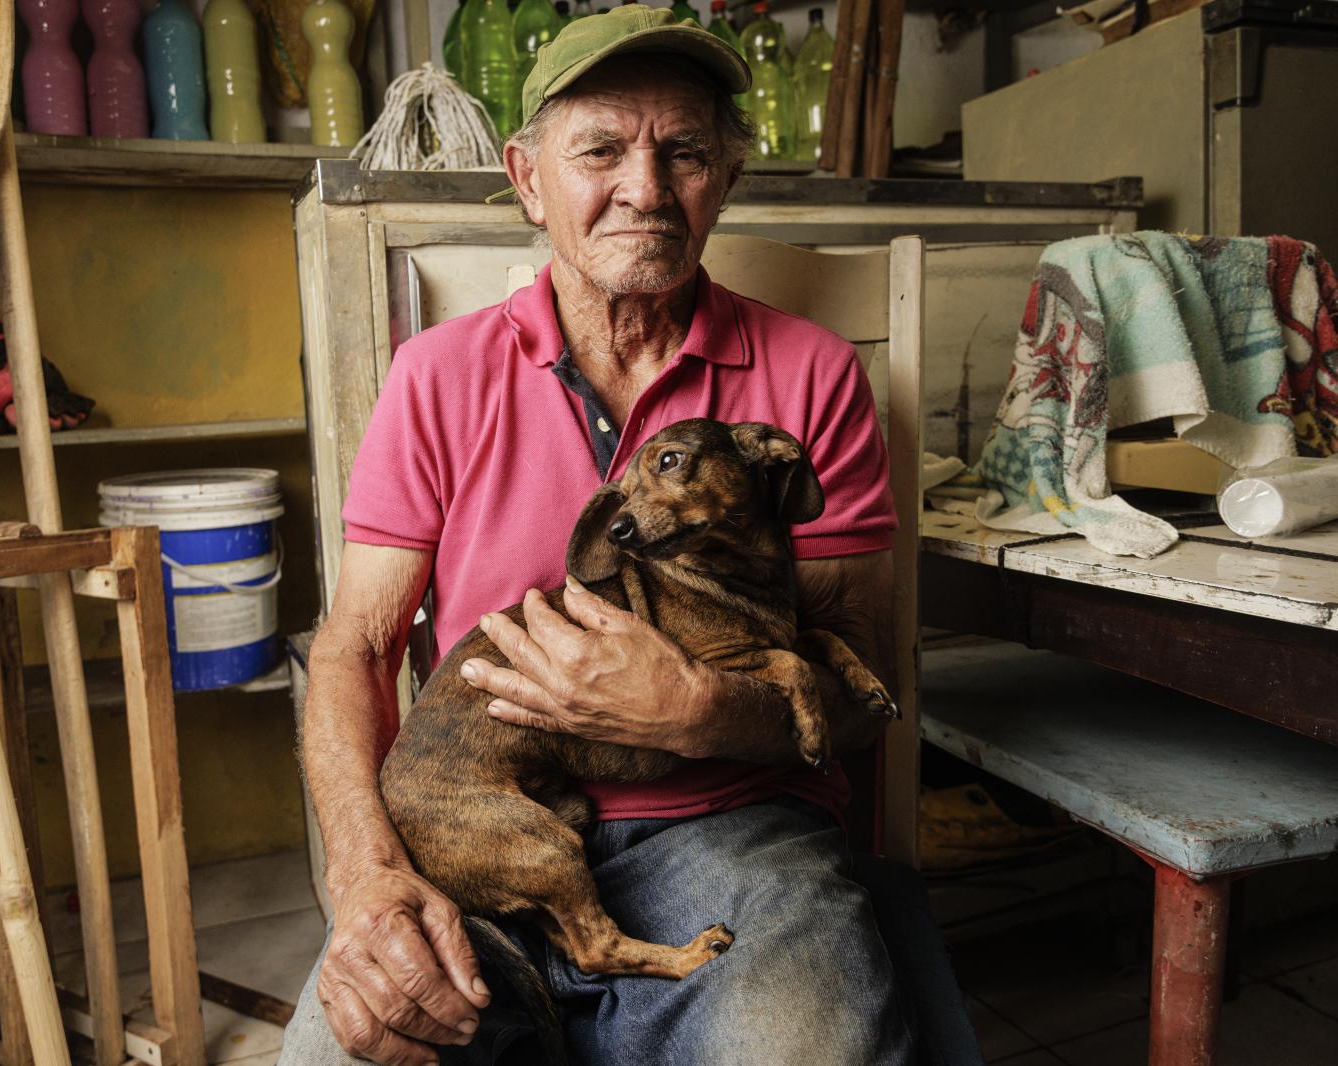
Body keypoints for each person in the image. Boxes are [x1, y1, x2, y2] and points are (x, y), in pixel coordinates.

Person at [283, 6, 979, 1064]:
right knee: (355, 1052)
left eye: (684, 152)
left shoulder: (812, 377)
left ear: (726, 178)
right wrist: (369, 877)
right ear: (527, 179)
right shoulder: (437, 374)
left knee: (811, 1051)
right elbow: (353, 647)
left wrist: (697, 710)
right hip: (479, 815)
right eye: (599, 149)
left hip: (734, 829)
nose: (645, 189)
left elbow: (858, 682)